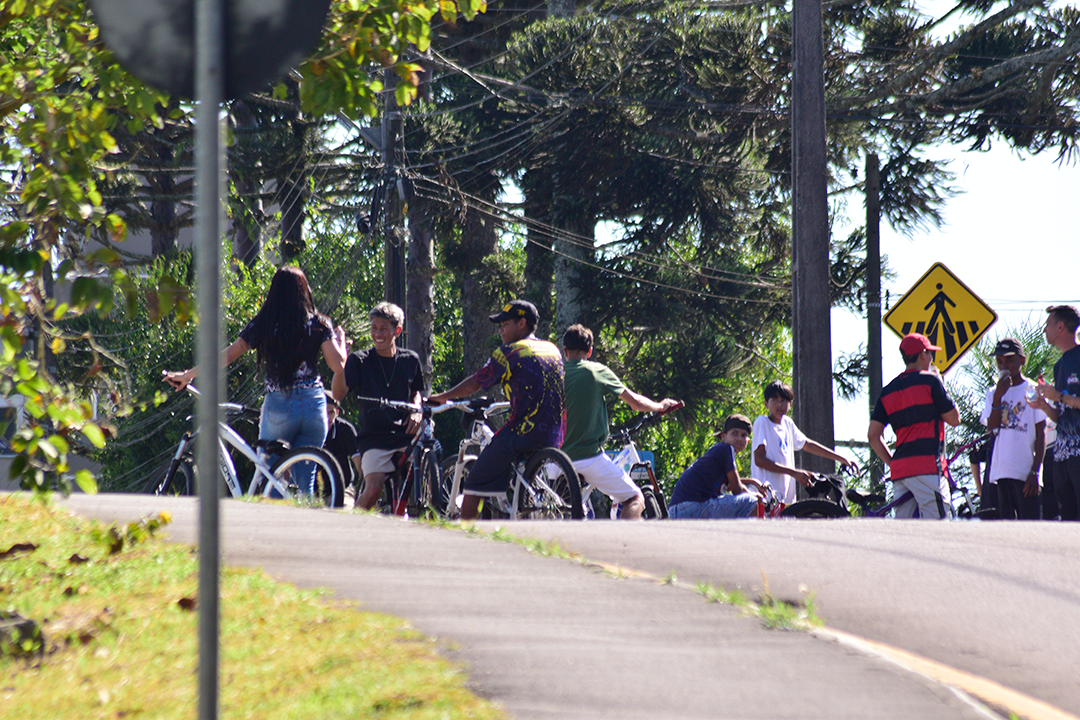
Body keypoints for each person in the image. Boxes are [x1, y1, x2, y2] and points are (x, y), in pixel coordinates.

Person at [164, 265, 348, 495]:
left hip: (280, 404)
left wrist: (187, 375)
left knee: (271, 476)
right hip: (314, 406)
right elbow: (338, 364)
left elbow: (227, 356)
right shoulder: (319, 324)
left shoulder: (265, 323)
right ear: (305, 291)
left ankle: (273, 516)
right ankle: (304, 516)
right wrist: (341, 342)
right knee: (306, 482)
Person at [428, 300, 564, 521]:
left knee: (474, 484)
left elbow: (475, 383)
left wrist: (443, 397)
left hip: (522, 432)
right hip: (554, 433)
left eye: (505, 324)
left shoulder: (510, 352)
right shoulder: (553, 349)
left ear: (522, 323)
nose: (500, 330)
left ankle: (463, 534)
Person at [560, 324, 681, 519]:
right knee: (635, 497)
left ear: (565, 351)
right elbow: (636, 403)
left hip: (555, 460)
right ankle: (623, 535)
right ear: (590, 351)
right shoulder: (597, 371)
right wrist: (660, 406)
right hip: (589, 458)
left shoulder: (555, 374)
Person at [332, 302, 424, 511]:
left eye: (383, 329)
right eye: (374, 328)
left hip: (405, 434)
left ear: (397, 331)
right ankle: (351, 526)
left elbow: (416, 393)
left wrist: (416, 410)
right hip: (373, 438)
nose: (377, 334)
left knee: (423, 460)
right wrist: (340, 366)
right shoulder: (360, 360)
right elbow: (338, 394)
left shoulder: (410, 360)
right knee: (374, 489)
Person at [868, 333, 961, 519]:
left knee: (906, 528)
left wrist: (893, 463)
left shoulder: (888, 391)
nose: (931, 358)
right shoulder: (931, 381)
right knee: (939, 524)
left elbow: (873, 436)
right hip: (927, 467)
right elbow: (954, 419)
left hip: (901, 471)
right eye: (930, 353)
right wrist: (940, 384)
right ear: (922, 354)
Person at [750, 380, 856, 505]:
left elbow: (808, 445)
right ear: (766, 404)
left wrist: (841, 458)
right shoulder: (762, 422)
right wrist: (794, 472)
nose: (779, 404)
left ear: (790, 404)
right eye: (774, 400)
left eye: (783, 400)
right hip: (765, 498)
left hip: (783, 499)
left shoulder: (788, 424)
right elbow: (760, 460)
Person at [979, 338, 1046, 520]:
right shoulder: (993, 393)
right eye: (999, 361)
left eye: (1009, 360)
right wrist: (998, 398)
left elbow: (1041, 434)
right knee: (1007, 527)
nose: (1004, 366)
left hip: (1025, 473)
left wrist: (1035, 472)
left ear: (1022, 360)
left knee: (1029, 525)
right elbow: (992, 430)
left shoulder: (1031, 390)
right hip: (1002, 472)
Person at [1029, 305, 1080, 521]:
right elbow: (1061, 416)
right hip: (1061, 455)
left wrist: (1058, 396)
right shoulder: (1059, 366)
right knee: (1067, 518)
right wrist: (1044, 406)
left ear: (1060, 327)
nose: (1044, 330)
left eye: (1048, 324)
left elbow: (1065, 399)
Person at [668, 415, 761, 519]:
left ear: (748, 441)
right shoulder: (726, 449)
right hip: (693, 506)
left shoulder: (718, 451)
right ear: (723, 436)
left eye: (743, 435)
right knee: (751, 502)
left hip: (677, 510)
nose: (739, 439)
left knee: (729, 501)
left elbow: (730, 485)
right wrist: (754, 495)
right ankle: (753, 530)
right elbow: (737, 489)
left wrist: (752, 482)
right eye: (734, 433)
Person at [322, 390, 361, 502]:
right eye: (323, 412)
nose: (327, 418)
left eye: (331, 412)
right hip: (314, 493)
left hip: (344, 489)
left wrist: (365, 489)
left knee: (345, 508)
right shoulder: (308, 431)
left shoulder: (345, 430)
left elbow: (358, 462)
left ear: (337, 412)